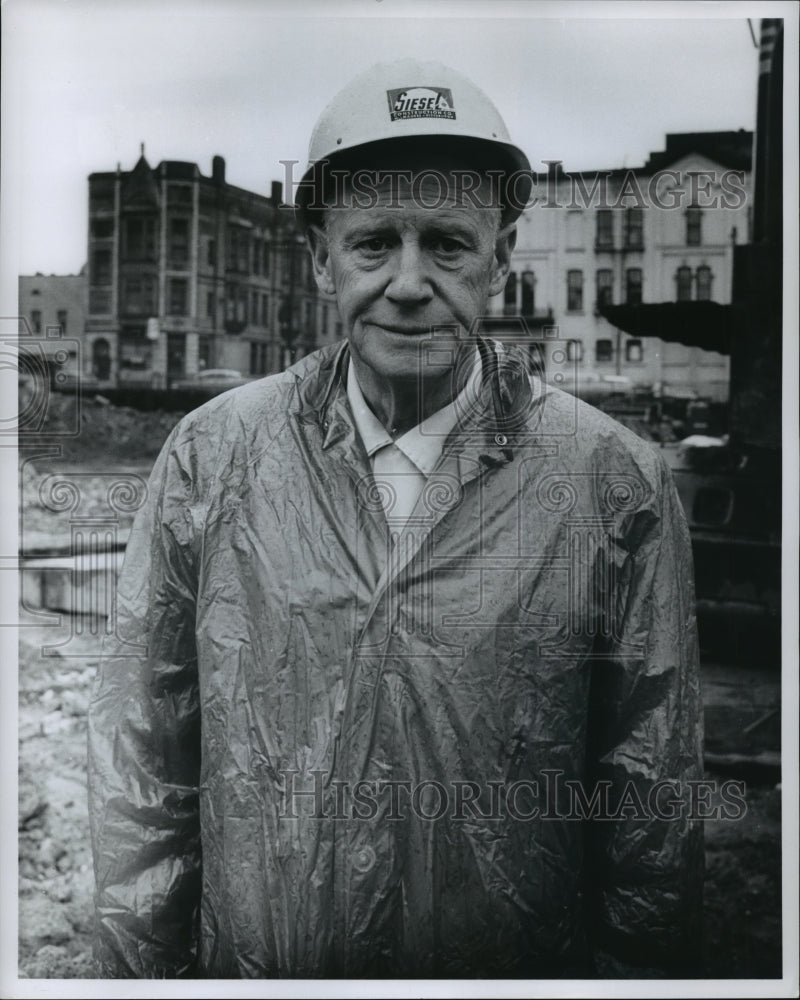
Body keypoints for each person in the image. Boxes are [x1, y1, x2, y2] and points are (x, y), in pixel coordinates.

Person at [88, 58, 703, 979]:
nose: (410, 281)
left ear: (501, 253)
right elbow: (146, 761)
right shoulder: (212, 459)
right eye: (374, 242)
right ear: (320, 257)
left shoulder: (615, 486)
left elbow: (649, 801)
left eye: (447, 243)